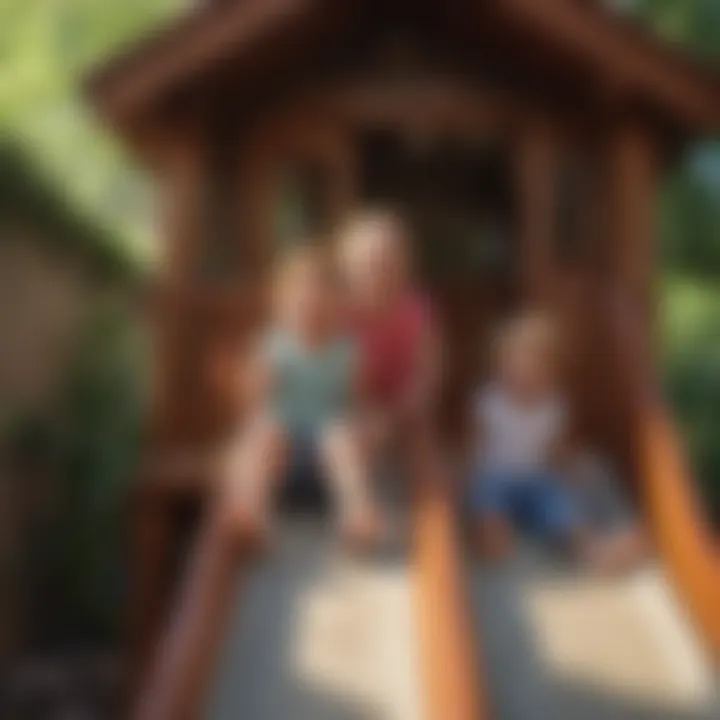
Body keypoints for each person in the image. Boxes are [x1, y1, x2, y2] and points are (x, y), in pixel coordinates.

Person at [223, 244, 382, 549]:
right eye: (302, 301)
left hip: (325, 462)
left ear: (338, 305)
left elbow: (356, 403)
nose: (312, 309)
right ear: (283, 304)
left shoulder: (346, 351)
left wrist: (367, 428)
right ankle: (253, 511)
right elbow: (254, 402)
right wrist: (256, 382)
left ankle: (356, 512)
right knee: (263, 433)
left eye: (322, 301)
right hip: (282, 458)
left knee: (341, 436)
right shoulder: (274, 346)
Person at [468, 312, 588, 561]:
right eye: (514, 366)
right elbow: (476, 443)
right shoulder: (490, 402)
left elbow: (555, 449)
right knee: (487, 501)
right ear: (501, 367)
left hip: (535, 478)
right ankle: (493, 540)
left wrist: (569, 467)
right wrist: (466, 471)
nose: (523, 374)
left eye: (534, 366)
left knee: (559, 503)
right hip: (496, 475)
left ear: (550, 370)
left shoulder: (554, 406)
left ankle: (583, 544)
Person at [336, 209, 441, 466]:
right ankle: (359, 503)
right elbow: (339, 380)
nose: (379, 270)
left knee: (422, 440)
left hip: (402, 407)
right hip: (353, 407)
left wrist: (395, 416)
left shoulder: (416, 310)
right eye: (370, 262)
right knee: (347, 439)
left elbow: (428, 375)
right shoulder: (340, 312)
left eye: (388, 261)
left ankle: (432, 502)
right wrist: (365, 414)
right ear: (348, 266)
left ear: (404, 263)